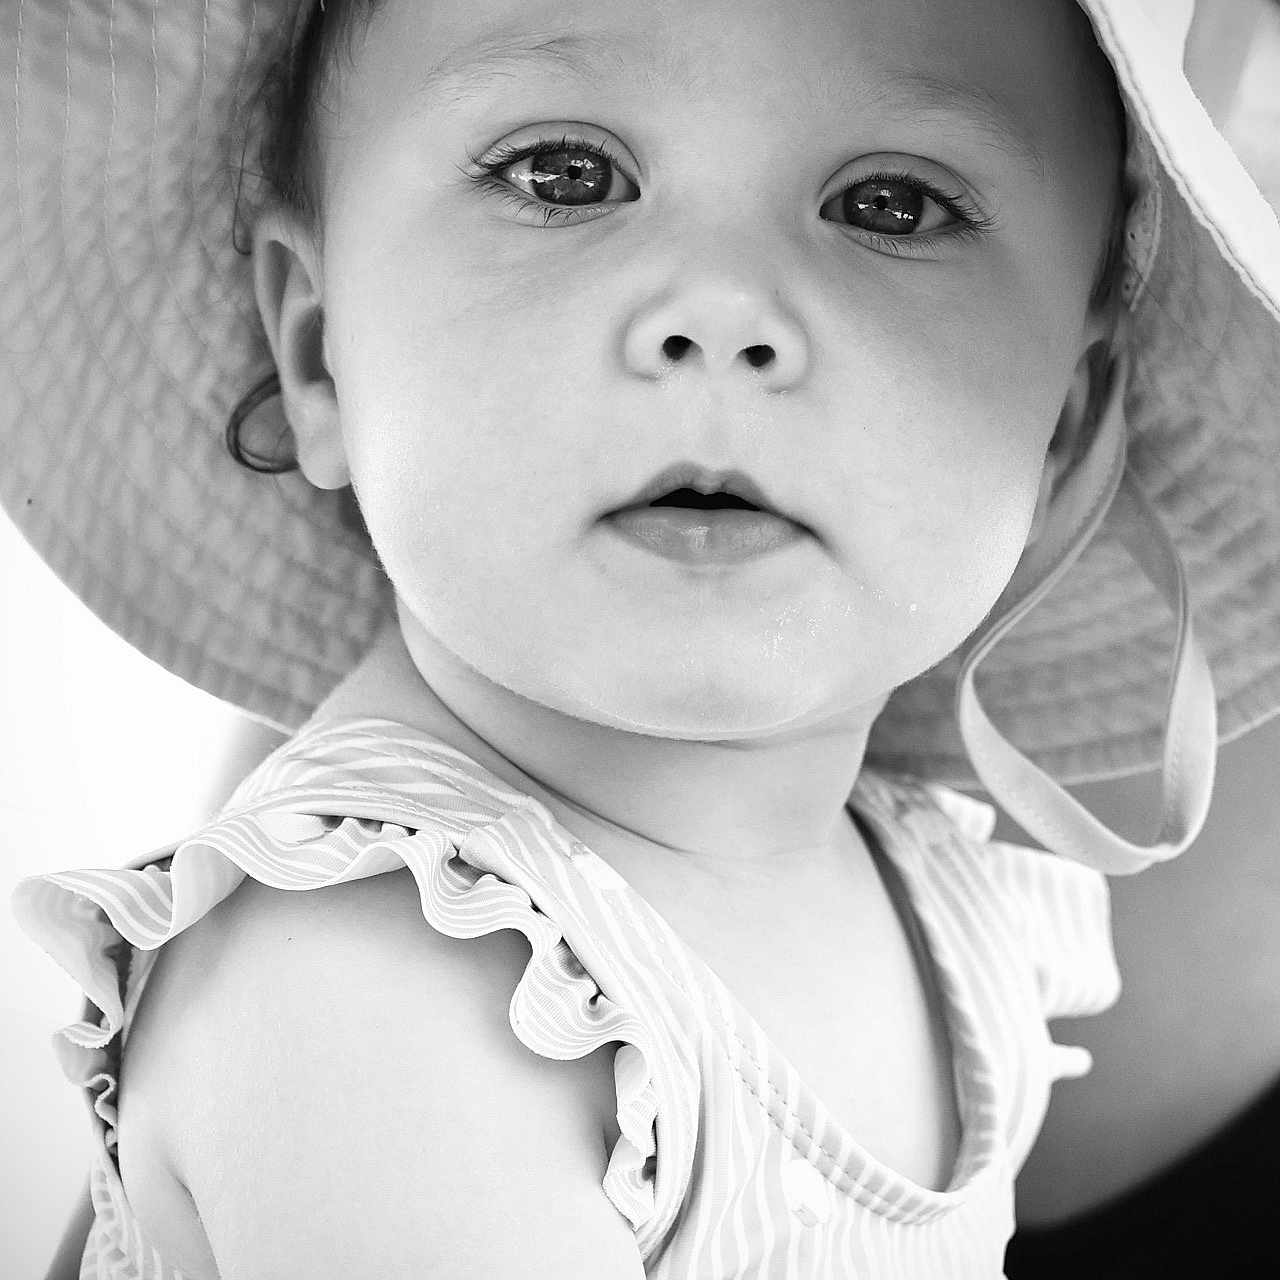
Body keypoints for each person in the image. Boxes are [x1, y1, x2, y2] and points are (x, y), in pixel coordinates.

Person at [5, 0, 1278, 1276]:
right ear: (314, 350)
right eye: (565, 176)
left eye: (890, 204)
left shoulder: (921, 888)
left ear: (1061, 431)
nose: (720, 310)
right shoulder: (370, 992)